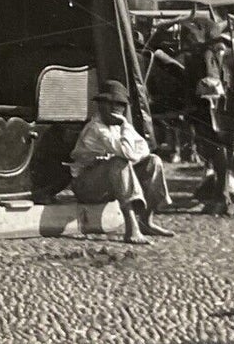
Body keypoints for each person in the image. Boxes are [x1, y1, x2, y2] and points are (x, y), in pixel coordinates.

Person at [70, 80, 174, 244]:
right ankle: (132, 228)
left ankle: (146, 221)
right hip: (87, 186)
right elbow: (127, 153)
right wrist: (127, 150)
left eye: (120, 104)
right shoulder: (97, 128)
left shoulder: (122, 127)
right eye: (109, 103)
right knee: (119, 162)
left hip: (111, 183)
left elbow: (144, 149)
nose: (114, 108)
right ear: (100, 105)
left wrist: (129, 148)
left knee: (153, 161)